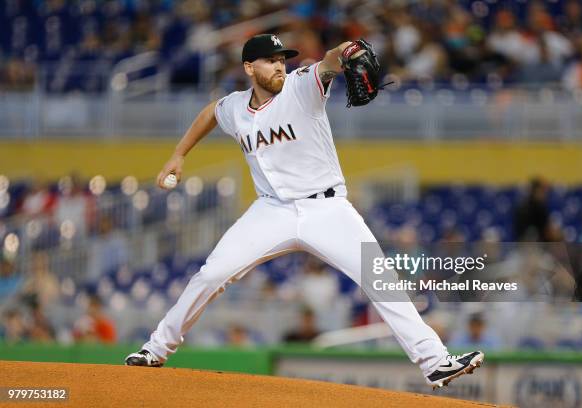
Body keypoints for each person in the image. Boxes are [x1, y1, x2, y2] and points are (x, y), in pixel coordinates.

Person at [125, 34, 483, 388]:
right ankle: (155, 349)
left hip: (327, 209)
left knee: (380, 279)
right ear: (250, 67)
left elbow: (329, 61)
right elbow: (210, 113)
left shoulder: (301, 86)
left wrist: (349, 50)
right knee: (211, 275)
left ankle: (435, 363)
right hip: (270, 211)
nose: (280, 64)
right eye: (270, 60)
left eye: (282, 58)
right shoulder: (235, 107)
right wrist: (179, 154)